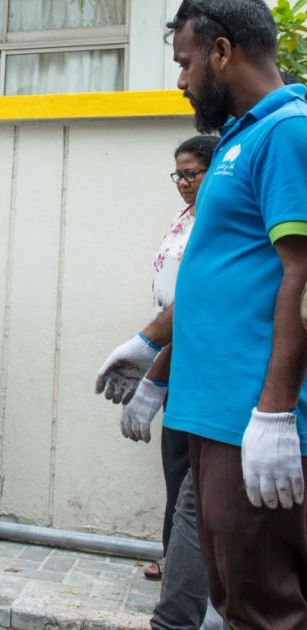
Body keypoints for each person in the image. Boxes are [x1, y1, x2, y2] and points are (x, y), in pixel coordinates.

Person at [103, 0, 307, 626]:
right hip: (215, 412)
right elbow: (222, 277)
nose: (182, 81)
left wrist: (275, 413)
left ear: (222, 51)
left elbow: (301, 274)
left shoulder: (288, 131)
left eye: (186, 63)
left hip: (252, 416)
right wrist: (154, 353)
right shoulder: (240, 139)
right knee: (235, 598)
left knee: (263, 607)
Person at [110, 135, 218, 585]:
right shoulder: (184, 218)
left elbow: (199, 299)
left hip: (198, 352)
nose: (184, 183)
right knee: (176, 464)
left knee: (198, 467)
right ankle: (175, 556)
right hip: (173, 350)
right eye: (179, 174)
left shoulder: (217, 221)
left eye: (193, 173)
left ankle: (197, 567)